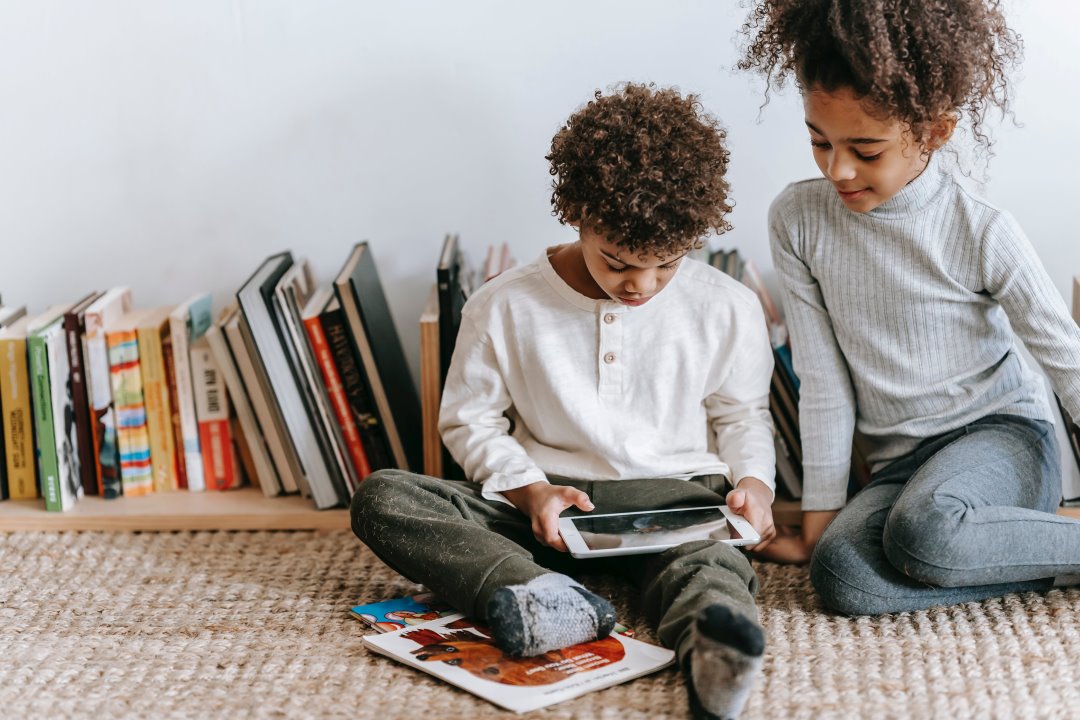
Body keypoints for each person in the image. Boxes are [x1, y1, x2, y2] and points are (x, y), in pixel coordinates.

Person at [353, 82, 777, 719]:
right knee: (384, 497)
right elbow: (470, 419)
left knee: (710, 568)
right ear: (577, 213)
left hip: (674, 501)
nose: (643, 285)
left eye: (667, 264)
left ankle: (714, 654)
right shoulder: (504, 304)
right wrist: (530, 490)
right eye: (618, 261)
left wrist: (754, 484)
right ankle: (540, 597)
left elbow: (741, 413)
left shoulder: (727, 306)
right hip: (545, 508)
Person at [738, 0, 1080, 615]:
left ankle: (995, 538)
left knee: (925, 532)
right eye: (819, 142)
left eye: (866, 151)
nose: (838, 169)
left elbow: (1066, 357)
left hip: (1003, 439)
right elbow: (822, 380)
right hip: (901, 469)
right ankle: (1033, 556)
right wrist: (820, 518)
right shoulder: (798, 220)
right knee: (841, 574)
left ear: (935, 131)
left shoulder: (980, 228)